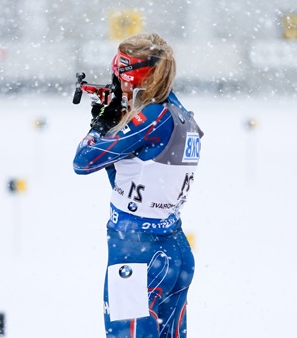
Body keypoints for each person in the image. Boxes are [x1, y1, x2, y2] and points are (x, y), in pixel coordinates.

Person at [73, 33, 203, 338]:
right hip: (172, 247)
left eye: (119, 77)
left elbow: (83, 161)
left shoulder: (152, 119)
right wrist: (123, 112)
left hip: (137, 253)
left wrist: (102, 123)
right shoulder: (180, 115)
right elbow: (128, 178)